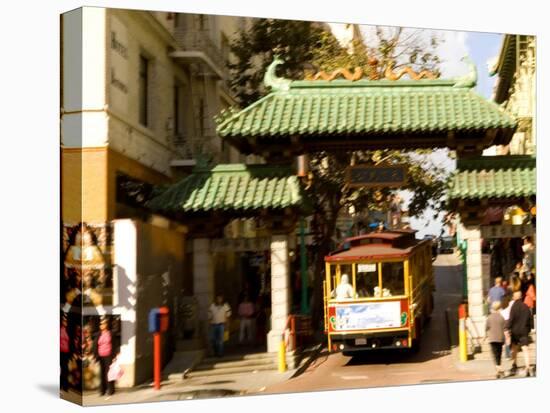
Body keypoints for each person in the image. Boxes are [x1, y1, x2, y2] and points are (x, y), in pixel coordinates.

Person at [507, 290, 534, 377]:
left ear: (515, 297)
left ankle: (514, 364)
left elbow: (511, 319)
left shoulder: (513, 307)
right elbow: (530, 319)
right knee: (525, 349)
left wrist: (507, 328)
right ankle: (528, 368)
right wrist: (529, 329)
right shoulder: (526, 307)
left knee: (514, 348)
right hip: (524, 331)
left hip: (515, 332)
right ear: (521, 297)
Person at [486, 301, 506, 378]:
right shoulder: (501, 317)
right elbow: (504, 328)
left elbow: (486, 328)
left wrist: (485, 337)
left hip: (492, 339)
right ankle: (498, 372)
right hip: (500, 338)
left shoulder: (489, 317)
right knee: (499, 355)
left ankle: (499, 370)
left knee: (495, 355)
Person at [95, 317, 114, 396]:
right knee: (102, 373)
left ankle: (110, 390)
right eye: (101, 324)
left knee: (109, 373)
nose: (102, 325)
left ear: (107, 324)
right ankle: (102, 390)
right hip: (100, 356)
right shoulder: (98, 334)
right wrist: (95, 355)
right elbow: (95, 345)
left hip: (108, 355)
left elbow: (115, 344)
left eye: (104, 323)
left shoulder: (111, 333)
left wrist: (115, 355)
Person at [499, 294, 514, 360]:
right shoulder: (510, 306)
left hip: (503, 323)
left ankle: (507, 355)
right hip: (509, 322)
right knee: (509, 339)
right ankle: (509, 354)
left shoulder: (501, 309)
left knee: (506, 339)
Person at [60, 313, 71, 391]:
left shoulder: (67, 331)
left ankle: (65, 386)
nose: (65, 322)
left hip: (66, 353)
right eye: (64, 321)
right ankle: (61, 385)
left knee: (65, 370)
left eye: (66, 321)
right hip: (60, 352)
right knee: (62, 369)